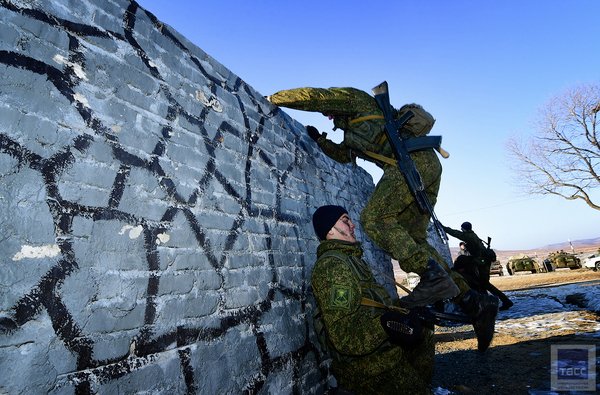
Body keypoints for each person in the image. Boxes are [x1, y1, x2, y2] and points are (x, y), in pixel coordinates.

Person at [268, 87, 499, 352]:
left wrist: (273, 99)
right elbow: (346, 156)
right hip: (422, 167)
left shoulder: (358, 101)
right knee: (413, 240)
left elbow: (316, 96)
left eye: (328, 112)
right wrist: (321, 140)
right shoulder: (352, 132)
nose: (327, 114)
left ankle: (434, 278)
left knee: (374, 219)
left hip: (412, 162)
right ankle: (474, 303)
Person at [310, 205, 435, 395]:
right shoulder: (333, 266)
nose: (353, 225)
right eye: (345, 220)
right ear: (329, 230)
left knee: (423, 333)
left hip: (380, 351)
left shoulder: (352, 260)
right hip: (367, 368)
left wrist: (406, 308)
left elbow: (371, 305)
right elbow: (342, 334)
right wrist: (385, 324)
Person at [443, 222, 514, 311]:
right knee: (463, 260)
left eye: (462, 229)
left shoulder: (469, 236)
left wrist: (443, 227)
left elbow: (456, 233)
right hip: (480, 260)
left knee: (485, 283)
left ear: (464, 229)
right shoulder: (471, 235)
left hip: (483, 261)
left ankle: (505, 300)